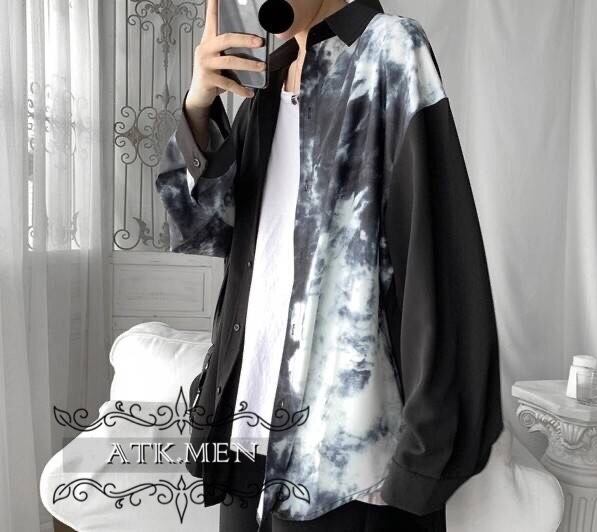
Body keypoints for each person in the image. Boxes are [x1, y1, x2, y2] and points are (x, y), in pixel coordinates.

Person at [155, 0, 503, 531]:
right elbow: (202, 230)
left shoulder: (389, 50)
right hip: (247, 424)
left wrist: (427, 453)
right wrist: (199, 104)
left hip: (345, 454)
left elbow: (440, 256)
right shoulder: (265, 86)